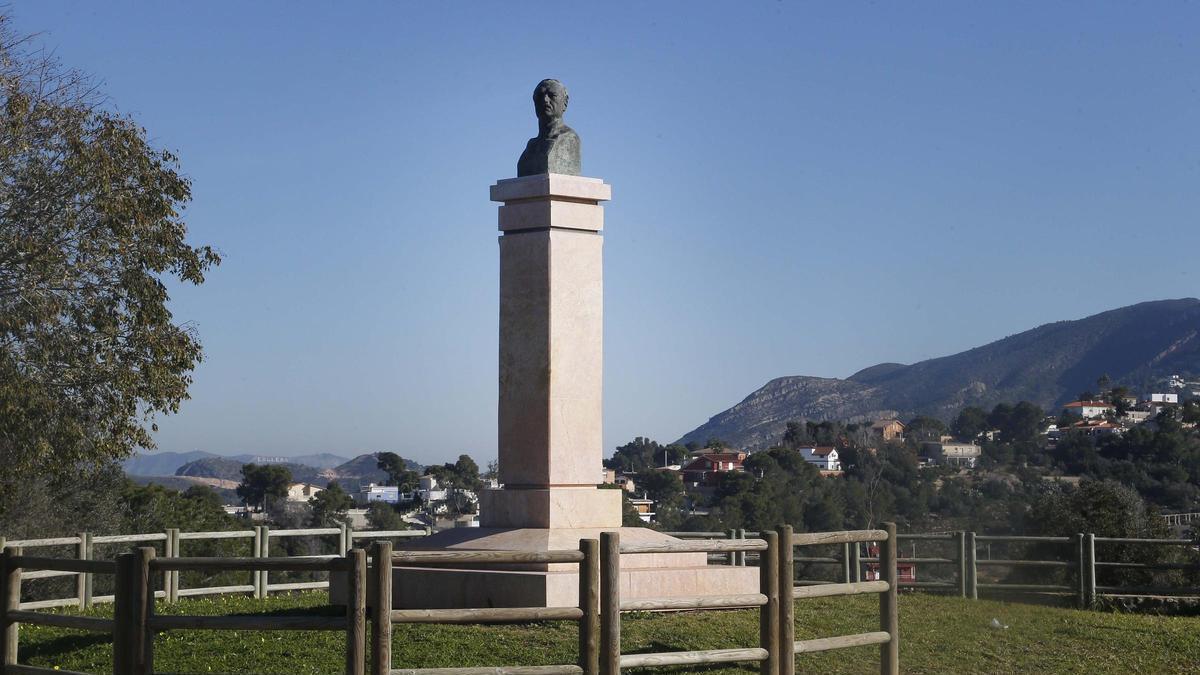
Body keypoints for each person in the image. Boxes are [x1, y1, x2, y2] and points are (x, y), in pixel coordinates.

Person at [517, 78, 581, 176]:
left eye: (552, 95)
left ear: (565, 103)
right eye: (540, 96)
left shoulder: (569, 138)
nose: (545, 100)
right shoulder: (531, 146)